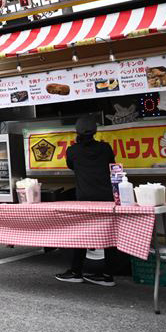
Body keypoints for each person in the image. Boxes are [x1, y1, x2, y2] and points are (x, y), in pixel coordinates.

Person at [55, 115, 117, 287]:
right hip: (107, 198)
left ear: (77, 132)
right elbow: (112, 164)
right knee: (109, 235)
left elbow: (71, 166)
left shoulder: (73, 151)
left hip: (85, 198)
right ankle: (107, 275)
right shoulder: (105, 148)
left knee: (81, 234)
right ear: (95, 131)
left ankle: (76, 272)